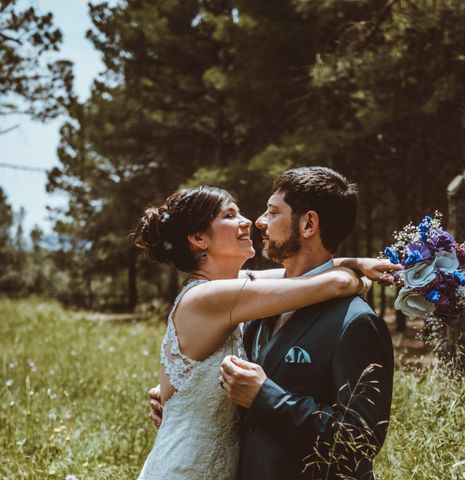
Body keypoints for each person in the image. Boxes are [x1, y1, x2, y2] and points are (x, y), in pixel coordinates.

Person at [135, 183, 395, 479]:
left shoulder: (234, 292)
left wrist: (356, 263)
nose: (249, 220)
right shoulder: (208, 298)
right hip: (185, 468)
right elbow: (334, 283)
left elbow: (296, 275)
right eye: (230, 215)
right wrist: (357, 278)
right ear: (198, 238)